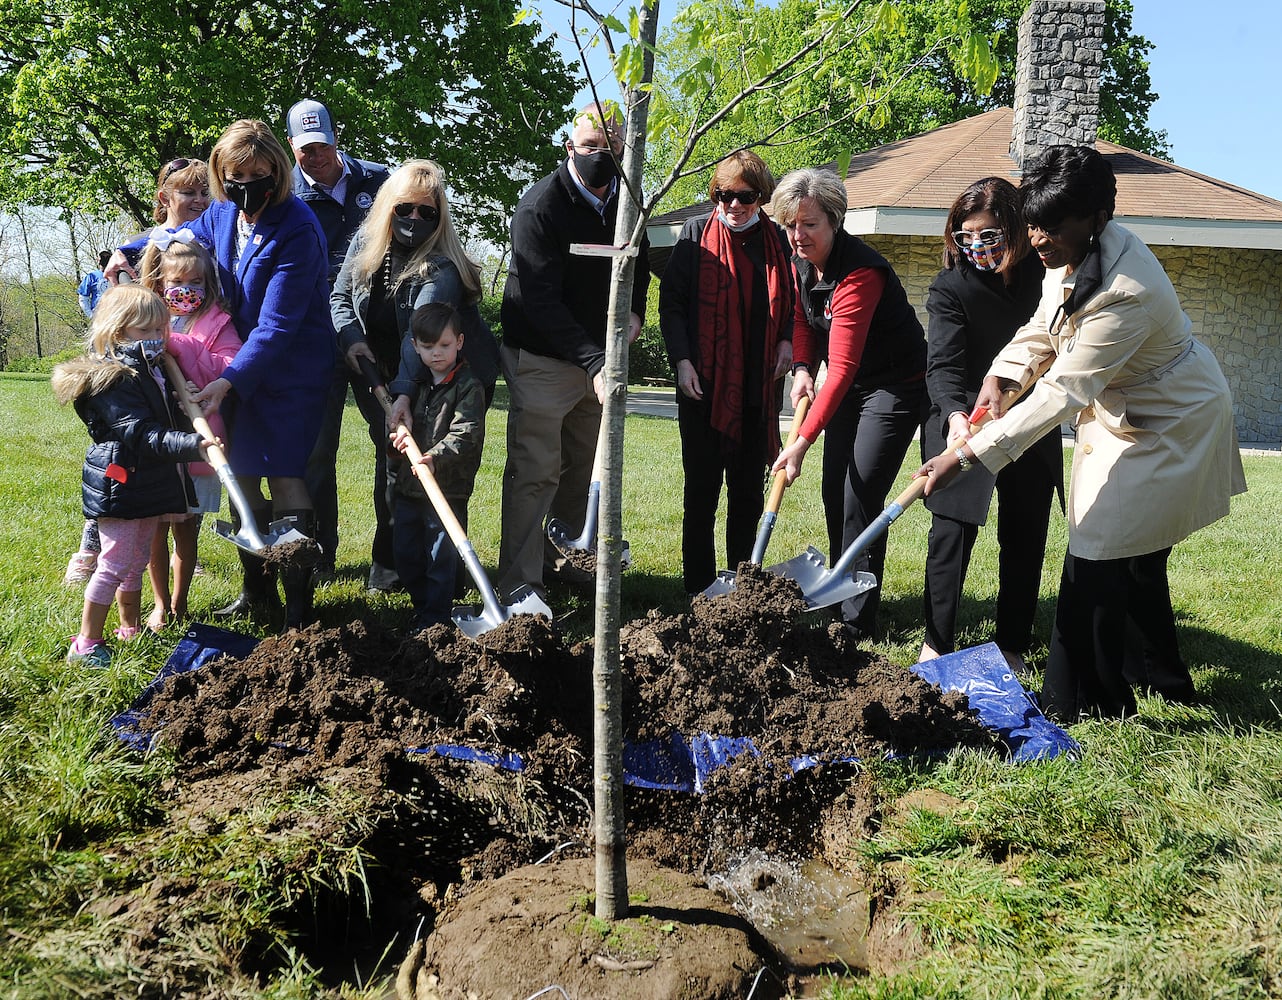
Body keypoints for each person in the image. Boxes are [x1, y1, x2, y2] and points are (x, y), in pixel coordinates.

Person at [916, 145, 1246, 722]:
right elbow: (1044, 326)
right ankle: (1154, 674)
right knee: (1131, 554)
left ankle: (1085, 702)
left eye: (1052, 226)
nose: (1039, 239)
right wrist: (1001, 375)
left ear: (1098, 216)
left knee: (1097, 549)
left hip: (1172, 419)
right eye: (1034, 224)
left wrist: (966, 456)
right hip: (1124, 413)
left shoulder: (1128, 288)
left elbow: (1062, 392)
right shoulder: (1069, 253)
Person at [111, 119, 336, 630]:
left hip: (288, 372)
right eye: (234, 175)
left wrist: (229, 380)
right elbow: (173, 237)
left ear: (277, 173)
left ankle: (299, 607)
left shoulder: (297, 227)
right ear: (221, 176)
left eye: (257, 174)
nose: (245, 186)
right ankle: (257, 592)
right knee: (242, 476)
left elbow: (278, 325)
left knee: (285, 473)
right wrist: (124, 254)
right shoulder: (222, 214)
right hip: (231, 364)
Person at [497, 102, 650, 601]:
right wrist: (595, 361)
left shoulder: (631, 201)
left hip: (596, 358)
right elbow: (538, 300)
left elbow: (638, 262)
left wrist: (635, 312)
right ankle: (520, 584)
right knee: (535, 470)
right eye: (590, 147)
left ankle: (565, 560)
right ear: (570, 148)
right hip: (542, 358)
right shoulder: (541, 206)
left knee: (582, 469)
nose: (601, 156)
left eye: (612, 148)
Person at [770, 168, 927, 640]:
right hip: (853, 383)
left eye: (810, 224)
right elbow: (803, 317)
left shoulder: (860, 273)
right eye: (791, 225)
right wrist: (801, 368)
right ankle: (839, 593)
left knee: (860, 495)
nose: (799, 235)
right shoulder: (802, 261)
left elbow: (840, 369)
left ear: (835, 221)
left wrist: (798, 442)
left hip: (894, 386)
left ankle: (856, 623)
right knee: (834, 491)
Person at [330, 159, 499, 594]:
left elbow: (420, 335)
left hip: (447, 376)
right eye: (405, 208)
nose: (415, 219)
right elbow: (340, 295)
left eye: (428, 212)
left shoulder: (441, 265)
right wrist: (352, 339)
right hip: (381, 371)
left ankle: (446, 578)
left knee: (439, 468)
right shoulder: (367, 242)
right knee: (392, 462)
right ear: (389, 207)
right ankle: (392, 569)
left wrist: (404, 393)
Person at [918, 177, 1063, 671]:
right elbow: (943, 365)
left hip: (1029, 420)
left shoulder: (1043, 281)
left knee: (1024, 532)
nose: (977, 245)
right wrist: (957, 418)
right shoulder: (951, 286)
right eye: (966, 236)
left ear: (1017, 230)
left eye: (989, 234)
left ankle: (1013, 644)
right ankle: (937, 642)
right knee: (951, 532)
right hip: (961, 417)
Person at [64, 158, 212, 587]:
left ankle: (186, 550)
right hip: (138, 364)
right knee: (121, 460)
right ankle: (92, 546)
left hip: (181, 366)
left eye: (205, 192)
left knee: (179, 466)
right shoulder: (139, 247)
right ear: (165, 198)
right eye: (189, 192)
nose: (199, 200)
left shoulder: (213, 241)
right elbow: (116, 307)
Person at [51, 285, 212, 667]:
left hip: (146, 481)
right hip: (121, 483)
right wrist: (193, 445)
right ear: (117, 331)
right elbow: (140, 433)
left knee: (137, 558)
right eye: (146, 331)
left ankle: (130, 629)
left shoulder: (148, 370)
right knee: (114, 563)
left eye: (161, 330)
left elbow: (155, 415)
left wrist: (179, 399)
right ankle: (87, 643)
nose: (157, 339)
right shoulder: (114, 380)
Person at [658, 150, 794, 594]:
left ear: (761, 197)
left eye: (745, 197)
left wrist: (787, 342)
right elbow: (672, 306)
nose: (733, 205)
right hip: (701, 387)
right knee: (700, 494)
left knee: (747, 496)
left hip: (756, 389)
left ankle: (741, 584)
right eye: (724, 195)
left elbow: (793, 307)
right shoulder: (695, 235)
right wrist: (681, 361)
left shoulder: (777, 241)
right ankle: (698, 588)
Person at [286, 99, 392, 585]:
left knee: (392, 442)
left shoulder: (380, 181)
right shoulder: (283, 192)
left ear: (336, 139)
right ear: (292, 148)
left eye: (323, 145)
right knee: (314, 450)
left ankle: (388, 560)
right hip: (312, 340)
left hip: (375, 336)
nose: (316, 157)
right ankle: (319, 558)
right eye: (305, 149)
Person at [137, 232, 240, 631]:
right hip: (157, 440)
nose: (187, 290)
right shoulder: (144, 318)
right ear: (160, 283)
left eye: (196, 282)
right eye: (178, 282)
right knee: (155, 526)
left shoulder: (219, 322)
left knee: (184, 523)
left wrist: (180, 344)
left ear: (208, 283)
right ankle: (160, 603)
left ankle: (180, 603)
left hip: (198, 438)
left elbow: (224, 367)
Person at [389, 302, 485, 629]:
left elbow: (467, 433)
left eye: (445, 345)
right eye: (428, 347)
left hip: (447, 490)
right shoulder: (413, 388)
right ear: (415, 346)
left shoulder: (468, 385)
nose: (437, 354)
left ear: (459, 342)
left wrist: (436, 457)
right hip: (409, 489)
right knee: (405, 554)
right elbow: (398, 432)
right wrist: (396, 442)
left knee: (439, 559)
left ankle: (436, 618)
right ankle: (422, 607)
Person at [77, 251, 111, 318]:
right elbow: (83, 298)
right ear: (98, 259)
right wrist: (91, 316)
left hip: (115, 315)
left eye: (107, 257)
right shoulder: (91, 276)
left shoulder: (118, 275)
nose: (104, 259)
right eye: (102, 257)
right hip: (99, 316)